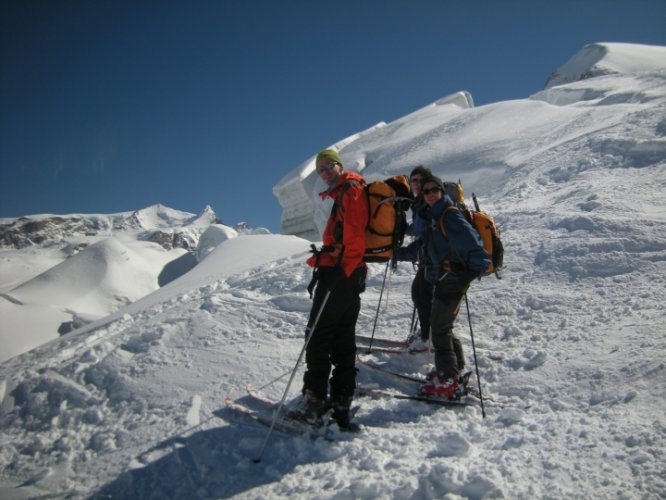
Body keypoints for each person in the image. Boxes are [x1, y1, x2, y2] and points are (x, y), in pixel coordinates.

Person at [290, 148, 368, 429]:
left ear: (339, 166)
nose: (324, 173)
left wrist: (341, 272)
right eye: (320, 169)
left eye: (328, 166)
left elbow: (355, 236)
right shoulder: (344, 191)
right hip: (347, 273)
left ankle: (315, 401)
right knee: (342, 335)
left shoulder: (350, 190)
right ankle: (341, 396)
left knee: (318, 333)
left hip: (341, 273)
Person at [404, 175, 490, 398]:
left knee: (440, 329)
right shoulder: (434, 216)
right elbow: (424, 248)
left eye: (435, 190)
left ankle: (447, 380)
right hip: (443, 279)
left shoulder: (449, 216)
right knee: (440, 325)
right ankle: (453, 368)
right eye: (426, 191)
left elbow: (479, 253)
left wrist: (464, 277)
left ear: (442, 191)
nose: (431, 194)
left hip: (452, 280)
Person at [403, 165, 434, 352]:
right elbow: (418, 228)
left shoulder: (427, 201)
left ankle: (428, 338)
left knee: (422, 296)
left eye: (417, 179)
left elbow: (425, 233)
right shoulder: (421, 202)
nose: (414, 183)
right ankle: (427, 334)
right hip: (429, 258)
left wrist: (405, 252)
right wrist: (403, 228)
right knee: (421, 294)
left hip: (434, 259)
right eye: (412, 180)